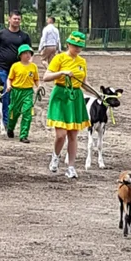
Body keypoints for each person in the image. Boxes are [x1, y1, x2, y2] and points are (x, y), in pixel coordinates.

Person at [44, 31, 91, 179]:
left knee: (73, 134)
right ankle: (55, 156)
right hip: (61, 95)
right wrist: (62, 73)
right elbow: (46, 77)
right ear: (68, 44)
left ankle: (71, 166)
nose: (77, 49)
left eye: (80, 46)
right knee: (61, 134)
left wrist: (97, 95)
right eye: (75, 45)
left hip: (75, 97)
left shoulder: (82, 62)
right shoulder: (59, 58)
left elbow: (85, 82)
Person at [0, 11, 31, 127]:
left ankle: (11, 118)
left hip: (18, 70)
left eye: (18, 19)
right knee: (6, 93)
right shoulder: (1, 34)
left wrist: (29, 66)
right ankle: (6, 121)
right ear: (9, 19)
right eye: (14, 18)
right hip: (2, 68)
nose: (16, 21)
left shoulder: (24, 36)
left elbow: (29, 53)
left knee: (15, 96)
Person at [6, 45, 39, 143]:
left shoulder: (33, 67)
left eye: (29, 53)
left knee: (27, 113)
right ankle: (10, 127)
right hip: (16, 92)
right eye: (25, 53)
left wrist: (38, 87)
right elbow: (10, 78)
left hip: (28, 92)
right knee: (13, 112)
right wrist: (8, 86)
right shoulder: (15, 66)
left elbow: (36, 79)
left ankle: (23, 135)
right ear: (20, 55)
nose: (28, 55)